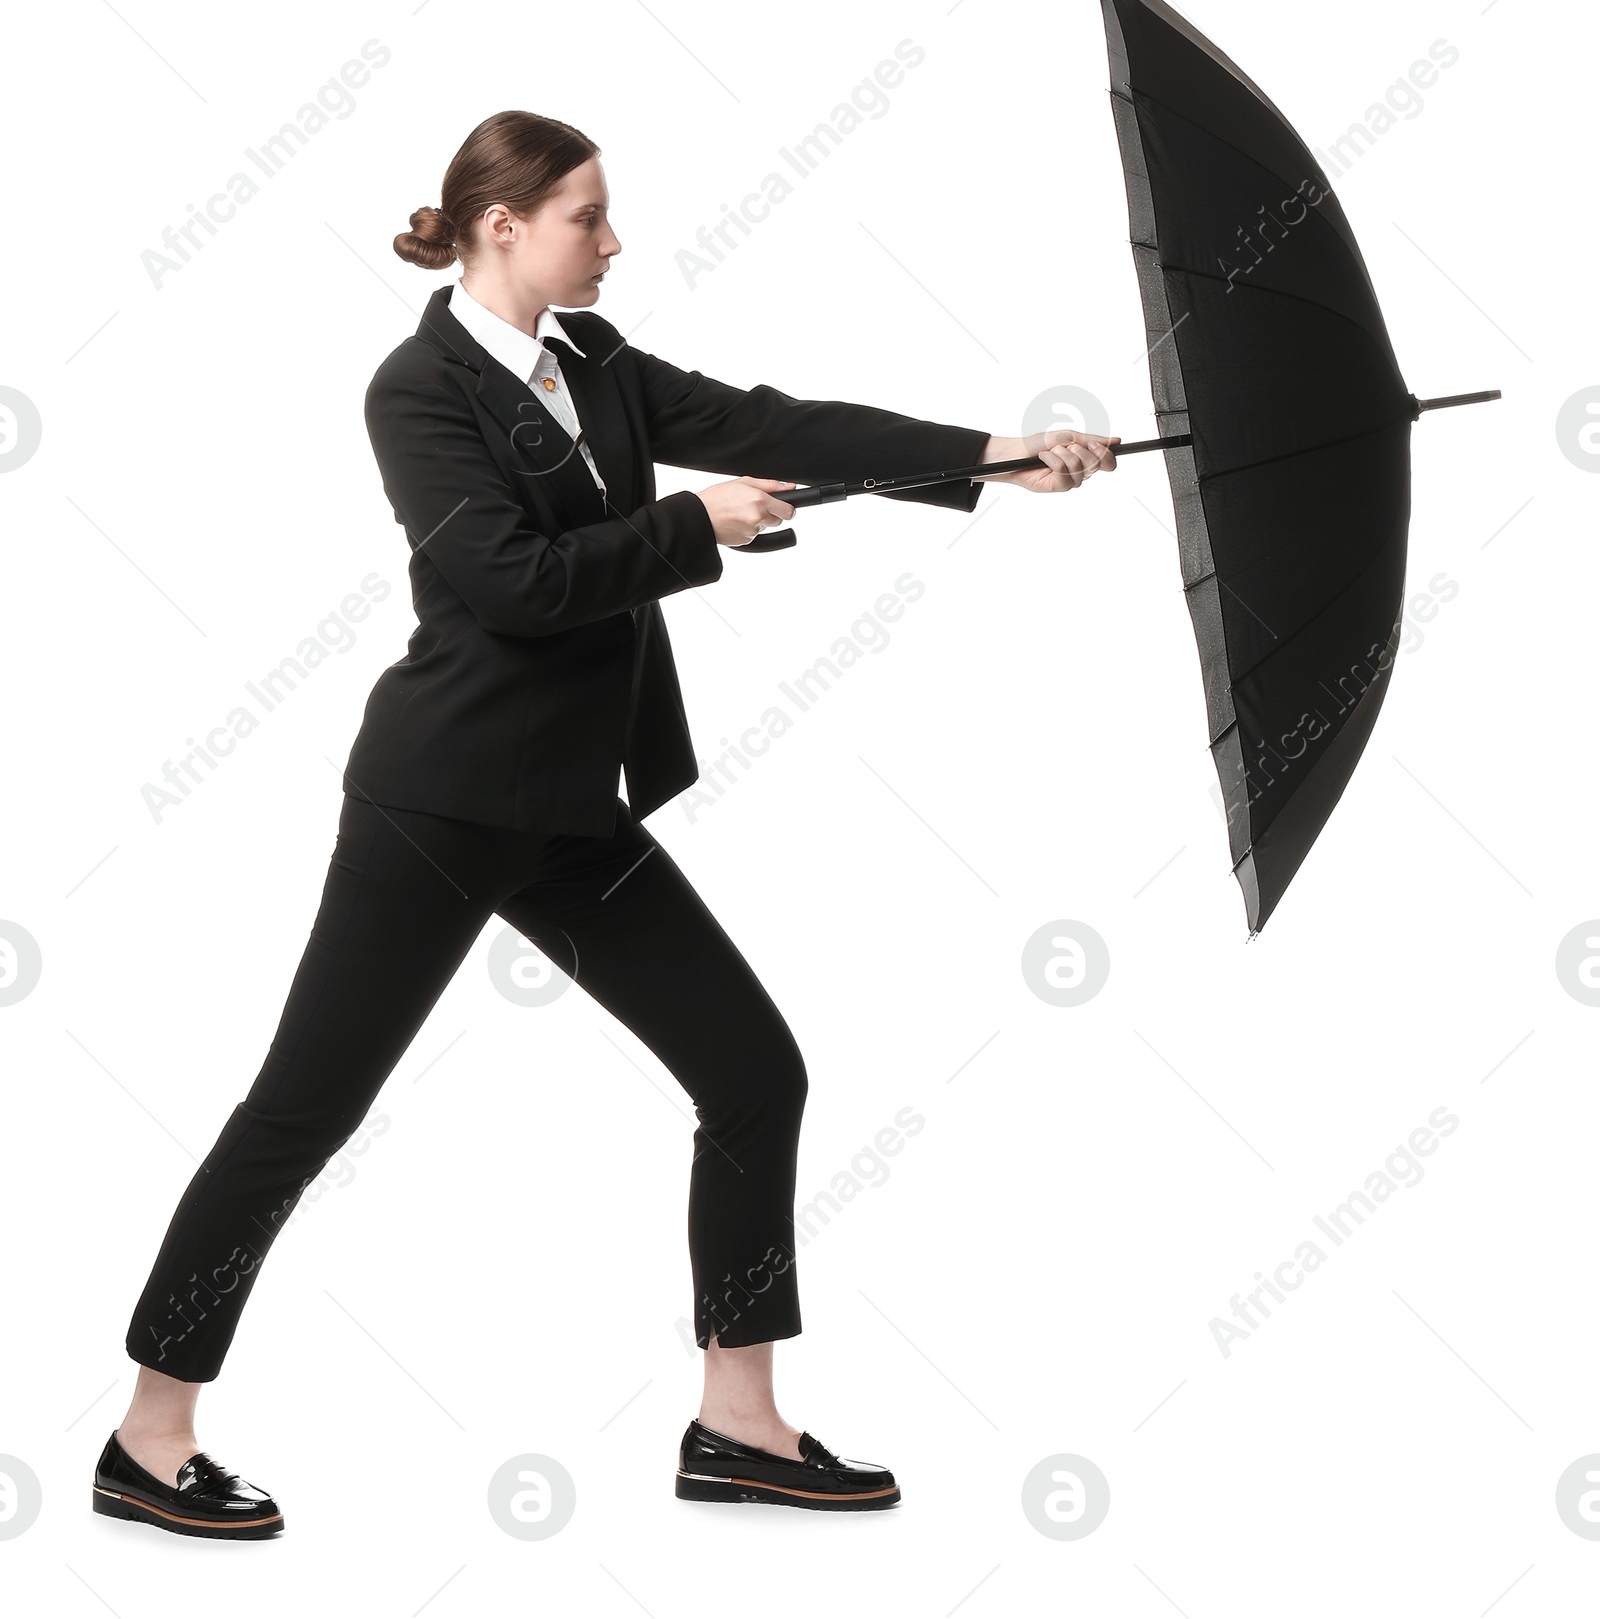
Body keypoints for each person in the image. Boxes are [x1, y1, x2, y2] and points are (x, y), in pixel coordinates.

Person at [92, 110, 1117, 1536]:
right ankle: (149, 1437)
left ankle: (738, 1421)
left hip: (571, 807)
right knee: (300, 1113)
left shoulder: (597, 362)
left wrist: (999, 456)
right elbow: (514, 583)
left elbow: (775, 422)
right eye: (590, 215)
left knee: (755, 1071)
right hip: (442, 803)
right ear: (502, 223)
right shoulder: (418, 390)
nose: (615, 241)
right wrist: (696, 529)